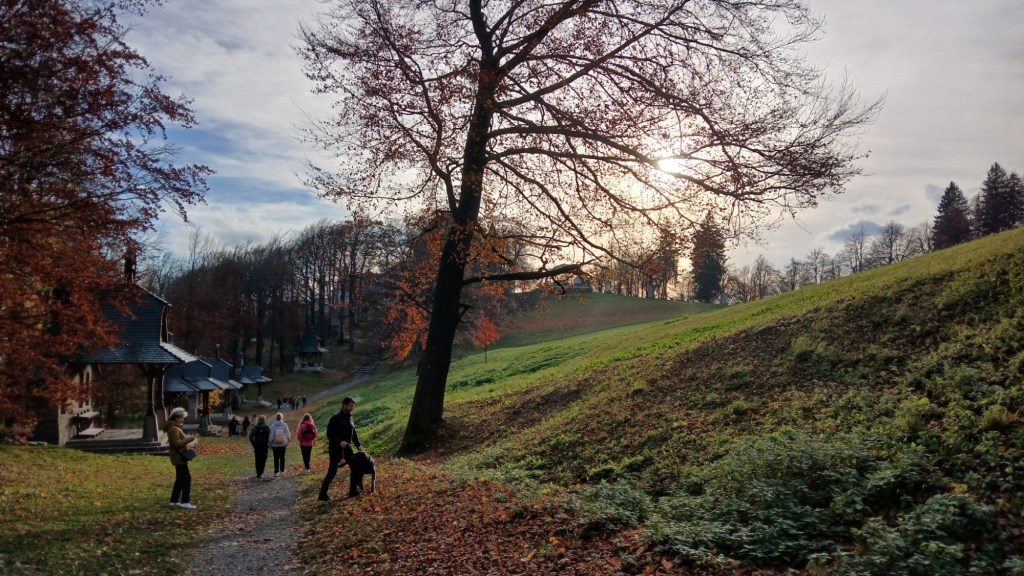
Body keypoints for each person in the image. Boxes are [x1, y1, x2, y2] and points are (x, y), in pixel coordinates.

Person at [318, 397, 363, 501]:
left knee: (356, 467)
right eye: (350, 406)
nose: (352, 408)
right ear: (344, 405)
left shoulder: (350, 418)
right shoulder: (335, 418)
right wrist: (339, 441)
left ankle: (353, 491)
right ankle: (322, 494)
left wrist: (358, 445)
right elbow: (329, 434)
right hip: (335, 449)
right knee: (332, 471)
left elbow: (353, 433)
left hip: (348, 449)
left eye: (353, 406)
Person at [165, 407, 198, 509]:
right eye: (182, 417)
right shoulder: (174, 428)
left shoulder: (175, 427)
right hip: (179, 457)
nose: (183, 419)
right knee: (186, 479)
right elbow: (175, 444)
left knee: (180, 479)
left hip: (179, 457)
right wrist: (190, 439)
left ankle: (174, 501)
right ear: (176, 417)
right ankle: (185, 501)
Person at [268, 412, 291, 476]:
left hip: (275, 445)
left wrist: (270, 443)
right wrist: (288, 441)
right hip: (283, 444)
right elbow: (288, 435)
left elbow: (271, 436)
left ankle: (276, 472)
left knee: (276, 458)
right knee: (282, 457)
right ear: (281, 418)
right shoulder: (284, 425)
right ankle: (282, 470)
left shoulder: (273, 425)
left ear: (276, 418)